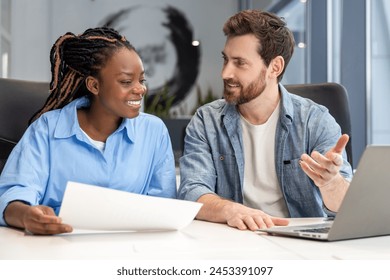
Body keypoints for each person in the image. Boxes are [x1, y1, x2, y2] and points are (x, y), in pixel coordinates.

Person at [178, 10, 353, 231]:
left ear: (275, 67)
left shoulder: (316, 121)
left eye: (239, 63)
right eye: (226, 60)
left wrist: (330, 183)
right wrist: (229, 210)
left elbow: (344, 207)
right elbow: (192, 191)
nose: (225, 73)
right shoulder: (206, 121)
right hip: (234, 238)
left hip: (301, 242)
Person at [0, 27, 177, 235]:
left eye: (142, 80)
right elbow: (13, 197)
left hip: (130, 250)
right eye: (126, 81)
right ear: (94, 85)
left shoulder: (154, 132)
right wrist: (27, 216)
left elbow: (164, 208)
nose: (140, 89)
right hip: (57, 245)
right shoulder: (47, 129)